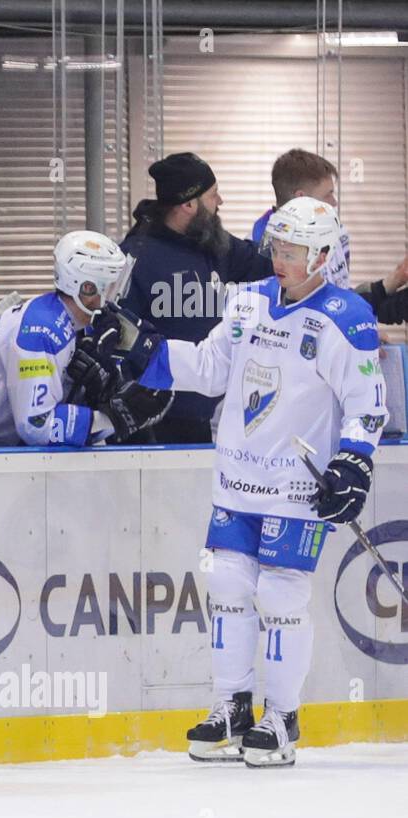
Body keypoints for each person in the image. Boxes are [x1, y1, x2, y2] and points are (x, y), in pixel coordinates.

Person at [132, 197, 388, 768]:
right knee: (226, 586)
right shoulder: (248, 302)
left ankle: (283, 715)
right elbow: (208, 367)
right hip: (238, 479)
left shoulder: (347, 318)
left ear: (322, 255)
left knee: (279, 595)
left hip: (298, 487)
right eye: (277, 248)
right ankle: (231, 707)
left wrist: (353, 462)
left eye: (294, 252)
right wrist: (143, 351)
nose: (281, 260)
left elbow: (367, 405)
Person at [0, 231, 173, 448]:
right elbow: (36, 425)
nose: (115, 296)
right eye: (109, 286)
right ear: (86, 288)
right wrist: (112, 419)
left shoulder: (78, 323)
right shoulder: (42, 332)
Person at [121, 152, 274, 443]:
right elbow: (118, 341)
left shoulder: (214, 244)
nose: (221, 202)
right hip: (150, 424)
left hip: (205, 419)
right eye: (213, 195)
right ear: (189, 204)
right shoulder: (134, 258)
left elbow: (271, 267)